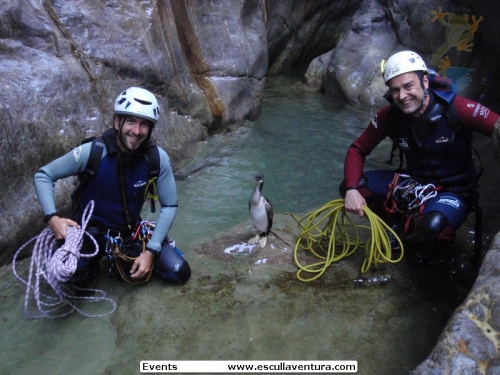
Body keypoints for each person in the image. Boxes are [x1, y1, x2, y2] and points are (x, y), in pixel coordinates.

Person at [340, 50, 500, 258]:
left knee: (432, 227)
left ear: (424, 81)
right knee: (352, 187)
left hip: (456, 190)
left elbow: (497, 126)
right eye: (395, 90)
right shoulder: (389, 116)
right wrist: (352, 189)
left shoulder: (458, 109)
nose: (402, 96)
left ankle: (436, 251)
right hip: (415, 182)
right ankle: (394, 226)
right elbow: (357, 150)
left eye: (408, 86)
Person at [34, 87, 191, 286]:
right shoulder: (92, 152)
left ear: (151, 129)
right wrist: (53, 219)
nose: (136, 131)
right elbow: (44, 175)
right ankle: (88, 268)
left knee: (179, 272)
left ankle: (119, 259)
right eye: (131, 121)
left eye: (144, 124)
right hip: (88, 233)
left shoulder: (156, 158)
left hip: (128, 233)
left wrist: (151, 250)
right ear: (117, 122)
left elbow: (169, 205)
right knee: (73, 277)